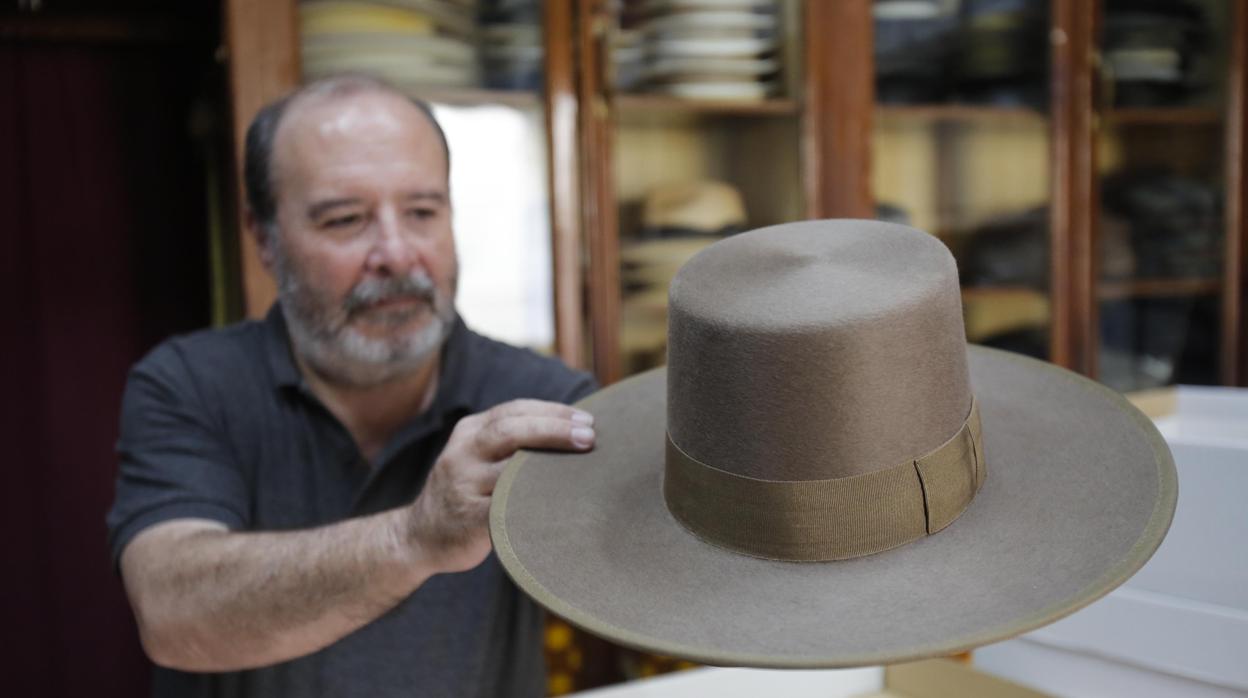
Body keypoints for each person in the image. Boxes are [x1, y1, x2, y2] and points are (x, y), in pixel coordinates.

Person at [106, 75, 597, 697]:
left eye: (422, 212)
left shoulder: (540, 398)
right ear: (263, 238)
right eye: (346, 219)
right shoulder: (189, 385)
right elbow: (173, 612)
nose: (396, 253)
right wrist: (416, 537)